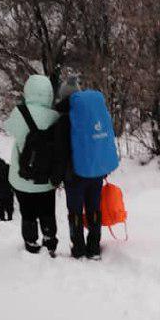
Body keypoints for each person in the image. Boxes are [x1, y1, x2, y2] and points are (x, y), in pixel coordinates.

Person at [54, 72, 116, 261]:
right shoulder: (91, 115)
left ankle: (79, 248)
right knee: (93, 209)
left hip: (74, 175)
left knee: (75, 212)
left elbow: (61, 152)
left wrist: (57, 177)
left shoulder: (64, 120)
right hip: (95, 172)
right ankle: (94, 247)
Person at [4, 75, 59, 256]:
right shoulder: (55, 117)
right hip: (46, 179)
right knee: (47, 209)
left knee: (27, 212)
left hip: (22, 177)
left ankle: (31, 241)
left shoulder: (19, 113)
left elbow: (8, 127)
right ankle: (50, 239)